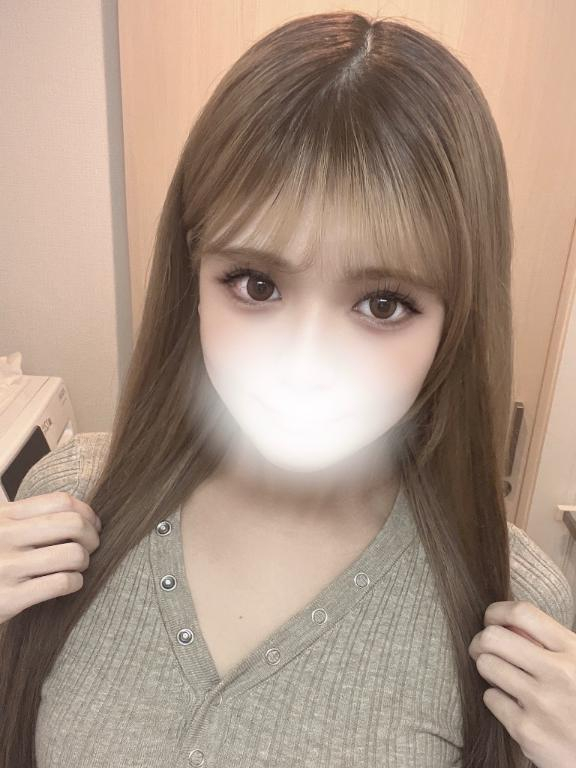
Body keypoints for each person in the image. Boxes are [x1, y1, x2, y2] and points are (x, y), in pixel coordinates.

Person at [1, 11, 573, 768]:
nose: (305, 363)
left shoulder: (513, 605)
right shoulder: (70, 504)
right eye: (256, 284)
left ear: (453, 326)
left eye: (383, 304)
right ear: (193, 278)